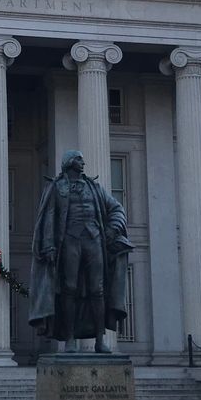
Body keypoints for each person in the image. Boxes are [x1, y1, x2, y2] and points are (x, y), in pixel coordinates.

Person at [29, 149, 132, 353]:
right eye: (79, 159)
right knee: (69, 289)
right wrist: (48, 245)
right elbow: (48, 217)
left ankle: (100, 340)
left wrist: (112, 230)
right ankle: (69, 339)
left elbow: (116, 209)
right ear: (69, 162)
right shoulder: (56, 187)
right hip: (70, 241)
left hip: (94, 240)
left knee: (98, 289)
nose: (83, 163)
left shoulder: (95, 188)